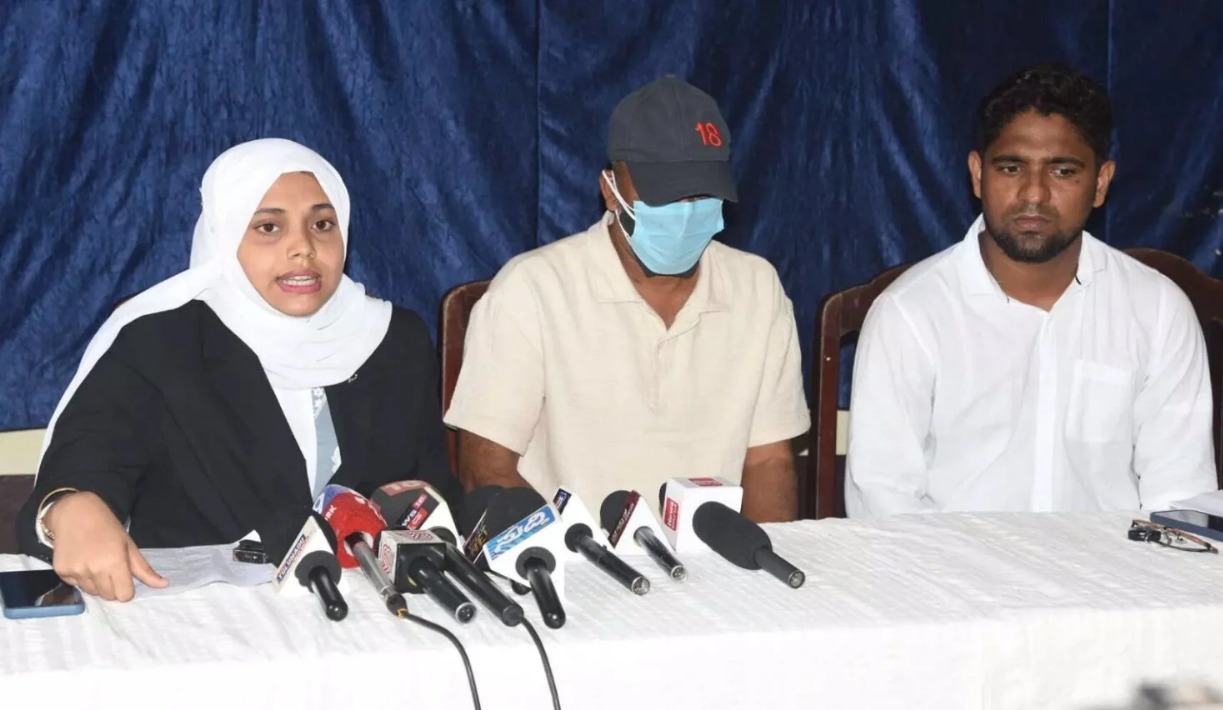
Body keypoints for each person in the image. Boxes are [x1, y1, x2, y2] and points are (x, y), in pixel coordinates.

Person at [17, 139, 458, 600]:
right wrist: (66, 512)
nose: (303, 248)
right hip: (205, 616)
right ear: (224, 237)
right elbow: (80, 473)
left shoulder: (393, 338)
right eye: (269, 227)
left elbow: (429, 497)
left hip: (376, 612)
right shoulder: (158, 342)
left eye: (322, 224)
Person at [844, 63, 1216, 515]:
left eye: (1062, 171)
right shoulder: (910, 313)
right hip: (951, 561)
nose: (1034, 194)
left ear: (1100, 183)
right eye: (1011, 167)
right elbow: (884, 505)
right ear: (978, 174)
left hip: (1112, 560)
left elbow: (1180, 498)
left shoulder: (1157, 310)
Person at [444, 76, 809, 522]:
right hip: (571, 555)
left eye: (700, 193)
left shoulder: (757, 290)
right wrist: (562, 555)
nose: (684, 211)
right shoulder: (533, 291)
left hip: (716, 558)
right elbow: (487, 468)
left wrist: (761, 561)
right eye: (663, 193)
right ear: (610, 189)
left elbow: (768, 460)